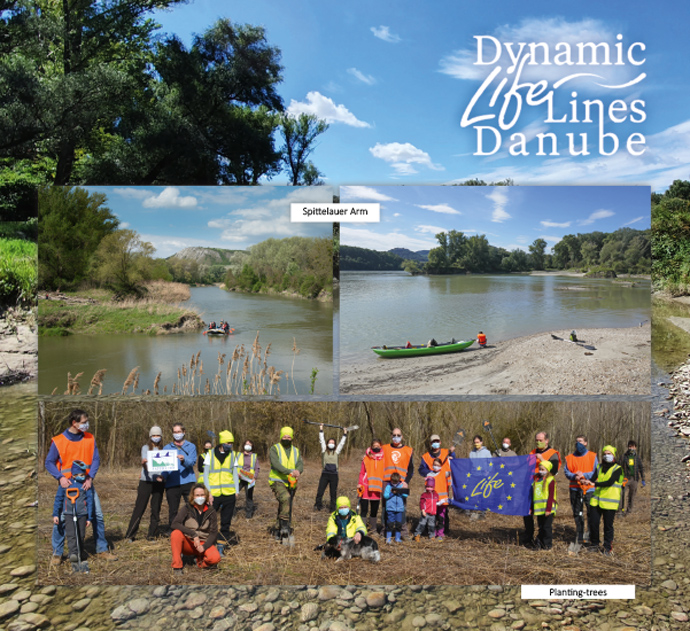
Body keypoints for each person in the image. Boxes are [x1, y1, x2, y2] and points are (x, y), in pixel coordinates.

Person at [45, 409, 117, 564]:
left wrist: (90, 477)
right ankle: (57, 553)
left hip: (86, 484)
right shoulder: (58, 441)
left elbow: (96, 459)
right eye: (84, 422)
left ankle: (102, 549)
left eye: (87, 422)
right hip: (67, 486)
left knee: (97, 516)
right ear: (74, 423)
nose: (87, 425)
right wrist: (60, 478)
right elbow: (49, 462)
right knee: (63, 517)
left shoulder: (90, 438)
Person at [124, 426, 166, 542]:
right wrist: (144, 465)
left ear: (161, 436)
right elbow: (146, 465)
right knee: (139, 507)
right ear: (150, 436)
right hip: (146, 481)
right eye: (154, 435)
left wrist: (163, 476)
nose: (156, 437)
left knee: (156, 508)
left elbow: (167, 466)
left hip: (159, 482)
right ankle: (130, 534)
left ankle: (152, 534)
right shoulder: (145, 448)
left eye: (158, 435)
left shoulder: (165, 449)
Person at [53, 460, 95, 573]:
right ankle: (73, 554)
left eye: (83, 475)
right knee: (71, 535)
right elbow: (58, 499)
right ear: (73, 474)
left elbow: (90, 501)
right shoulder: (66, 484)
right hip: (69, 514)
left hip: (82, 514)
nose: (81, 477)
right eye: (78, 475)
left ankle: (80, 553)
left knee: (81, 535)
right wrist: (55, 514)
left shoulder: (85, 486)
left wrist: (89, 517)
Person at [170, 484, 221, 575]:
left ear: (206, 496)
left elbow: (213, 533)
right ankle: (177, 567)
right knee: (176, 533)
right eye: (197, 495)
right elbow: (174, 524)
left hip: (203, 543)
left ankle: (198, 561)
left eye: (202, 495)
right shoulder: (187, 508)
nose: (200, 497)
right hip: (189, 542)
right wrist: (193, 534)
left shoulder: (211, 511)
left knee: (215, 559)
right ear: (192, 496)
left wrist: (204, 546)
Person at [522, 431, 561, 546]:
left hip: (544, 487)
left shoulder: (552, 453)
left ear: (546, 440)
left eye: (541, 440)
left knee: (544, 520)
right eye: (537, 440)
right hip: (531, 485)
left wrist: (542, 459)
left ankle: (542, 540)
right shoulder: (532, 452)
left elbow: (554, 470)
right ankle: (528, 537)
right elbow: (526, 467)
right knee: (527, 513)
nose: (538, 442)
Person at [202, 430, 238, 555]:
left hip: (229, 494)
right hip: (214, 494)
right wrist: (208, 493)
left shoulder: (233, 455)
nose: (230, 445)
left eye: (232, 443)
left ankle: (221, 546)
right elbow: (206, 475)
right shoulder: (210, 454)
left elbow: (235, 474)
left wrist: (236, 491)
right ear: (222, 442)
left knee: (226, 522)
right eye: (228, 442)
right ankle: (206, 544)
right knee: (208, 520)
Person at [161, 423, 197, 534]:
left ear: (184, 432)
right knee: (173, 509)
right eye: (175, 432)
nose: (177, 434)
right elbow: (164, 465)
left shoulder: (191, 447)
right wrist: (163, 476)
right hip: (172, 482)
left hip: (188, 481)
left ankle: (193, 528)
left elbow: (192, 462)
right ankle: (173, 530)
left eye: (179, 432)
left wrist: (183, 460)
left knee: (191, 507)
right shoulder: (167, 448)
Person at [587, 445, 624, 555]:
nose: (606, 455)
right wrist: (585, 481)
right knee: (593, 523)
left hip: (609, 502)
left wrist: (594, 483)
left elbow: (609, 482)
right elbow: (592, 479)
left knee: (608, 526)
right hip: (596, 500)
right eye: (605, 453)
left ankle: (607, 547)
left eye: (609, 453)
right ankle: (594, 544)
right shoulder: (599, 467)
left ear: (613, 455)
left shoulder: (618, 469)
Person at [268, 426, 303, 539]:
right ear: (280, 437)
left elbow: (300, 464)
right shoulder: (275, 449)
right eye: (284, 436)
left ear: (292, 438)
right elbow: (276, 464)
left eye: (288, 436)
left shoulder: (296, 450)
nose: (286, 438)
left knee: (285, 505)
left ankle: (278, 529)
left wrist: (298, 471)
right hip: (277, 480)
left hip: (291, 483)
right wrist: (290, 471)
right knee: (286, 499)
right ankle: (284, 527)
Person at [564, 435, 598, 544]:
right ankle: (579, 536)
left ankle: (591, 536)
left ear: (586, 443)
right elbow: (567, 471)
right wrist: (575, 476)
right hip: (575, 489)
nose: (578, 443)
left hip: (589, 490)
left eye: (580, 441)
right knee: (577, 513)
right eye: (576, 441)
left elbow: (595, 471)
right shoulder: (570, 457)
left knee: (591, 514)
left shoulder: (592, 456)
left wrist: (583, 475)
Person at [418, 434, 454, 537]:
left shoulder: (446, 452)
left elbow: (454, 462)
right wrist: (430, 473)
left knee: (443, 513)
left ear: (440, 442)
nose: (435, 443)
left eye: (437, 441)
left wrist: (452, 456)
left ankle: (444, 531)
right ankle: (429, 531)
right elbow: (421, 469)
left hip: (444, 489)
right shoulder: (426, 457)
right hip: (431, 490)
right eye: (433, 441)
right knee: (430, 511)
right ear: (430, 443)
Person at [382, 428, 413, 538]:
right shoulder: (384, 448)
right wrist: (366, 455)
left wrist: (406, 482)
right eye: (394, 435)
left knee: (402, 508)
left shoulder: (408, 450)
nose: (396, 437)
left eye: (398, 435)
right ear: (391, 436)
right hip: (387, 482)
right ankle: (385, 531)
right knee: (386, 507)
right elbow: (373, 453)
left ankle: (403, 533)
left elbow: (411, 469)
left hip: (401, 483)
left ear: (402, 436)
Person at [314, 424, 348, 512]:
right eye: (330, 442)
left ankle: (332, 508)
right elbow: (321, 440)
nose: (331, 444)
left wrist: (345, 434)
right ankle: (317, 505)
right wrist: (321, 429)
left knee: (333, 493)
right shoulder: (324, 449)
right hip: (325, 474)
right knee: (320, 491)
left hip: (334, 475)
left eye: (333, 443)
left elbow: (342, 443)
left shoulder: (337, 451)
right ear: (327, 443)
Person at [358, 438, 384, 533]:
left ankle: (373, 529)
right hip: (365, 487)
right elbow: (362, 472)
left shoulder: (384, 458)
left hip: (377, 488)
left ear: (381, 446)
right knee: (364, 510)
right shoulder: (366, 458)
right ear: (371, 447)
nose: (376, 447)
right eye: (374, 446)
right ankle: (362, 529)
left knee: (374, 510)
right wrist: (360, 484)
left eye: (378, 446)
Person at [530, 460, 557, 550]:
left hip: (547, 509)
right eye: (540, 469)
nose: (540, 470)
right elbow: (534, 496)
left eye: (543, 469)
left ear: (547, 470)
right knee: (540, 527)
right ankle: (539, 543)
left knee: (546, 527)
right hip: (539, 509)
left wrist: (548, 509)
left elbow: (551, 496)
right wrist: (532, 508)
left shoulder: (550, 480)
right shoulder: (536, 480)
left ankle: (547, 545)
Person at [425, 457, 452, 538]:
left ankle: (440, 534)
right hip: (432, 501)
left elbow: (452, 471)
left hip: (443, 501)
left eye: (438, 465)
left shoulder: (444, 473)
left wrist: (450, 461)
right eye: (434, 465)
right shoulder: (429, 475)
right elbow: (426, 488)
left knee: (441, 518)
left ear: (441, 466)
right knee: (432, 519)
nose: (436, 466)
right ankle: (432, 533)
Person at [621, 440, 645, 515]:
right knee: (621, 495)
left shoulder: (637, 457)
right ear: (628, 447)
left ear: (635, 448)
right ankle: (620, 511)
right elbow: (618, 467)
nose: (631, 448)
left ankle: (629, 511)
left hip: (634, 479)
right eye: (630, 446)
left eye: (633, 446)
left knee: (632, 496)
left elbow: (641, 468)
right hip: (625, 479)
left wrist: (643, 479)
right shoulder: (623, 456)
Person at [383, 472, 409, 544]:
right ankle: (388, 538)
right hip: (390, 508)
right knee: (390, 523)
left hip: (399, 508)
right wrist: (392, 493)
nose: (394, 483)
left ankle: (397, 538)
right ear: (391, 480)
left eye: (396, 482)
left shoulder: (401, 486)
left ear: (399, 480)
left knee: (398, 524)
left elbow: (405, 495)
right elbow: (385, 496)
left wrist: (400, 492)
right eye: (393, 481)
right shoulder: (388, 487)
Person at [236, 439, 259, 518]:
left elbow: (257, 468)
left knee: (249, 497)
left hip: (250, 480)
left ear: (252, 446)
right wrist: (236, 473)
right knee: (233, 495)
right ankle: (232, 513)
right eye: (246, 444)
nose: (248, 446)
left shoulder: (254, 456)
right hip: (239, 478)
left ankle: (248, 515)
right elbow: (234, 466)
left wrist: (255, 477)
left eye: (250, 444)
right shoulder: (238, 455)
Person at [413, 477, 439, 541]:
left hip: (433, 513)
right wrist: (423, 510)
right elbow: (422, 503)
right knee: (422, 524)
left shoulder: (436, 495)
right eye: (428, 486)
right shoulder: (424, 495)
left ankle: (432, 536)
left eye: (431, 486)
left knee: (432, 525)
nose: (429, 488)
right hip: (426, 512)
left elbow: (437, 502)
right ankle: (417, 535)